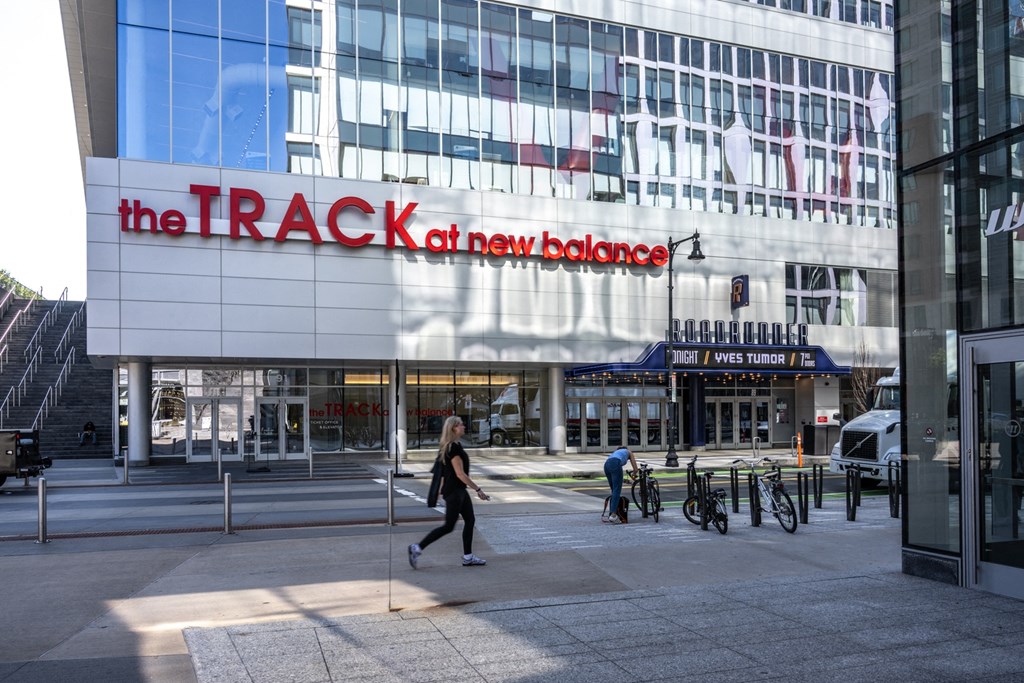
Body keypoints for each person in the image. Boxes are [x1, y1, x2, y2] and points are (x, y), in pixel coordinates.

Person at [408, 416, 490, 569]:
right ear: (454, 428)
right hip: (456, 492)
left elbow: (446, 472)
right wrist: (478, 489)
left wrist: (442, 488)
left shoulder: (449, 446)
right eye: (461, 425)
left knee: (470, 520)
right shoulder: (454, 448)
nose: (464, 427)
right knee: (448, 526)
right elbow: (460, 474)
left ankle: (468, 557)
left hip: (457, 491)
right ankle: (417, 548)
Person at [603, 446, 637, 524]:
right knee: (617, 490)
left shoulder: (615, 453)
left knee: (614, 490)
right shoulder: (628, 452)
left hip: (606, 465)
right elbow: (635, 469)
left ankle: (612, 512)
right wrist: (633, 476)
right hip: (615, 464)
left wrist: (624, 480)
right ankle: (613, 515)